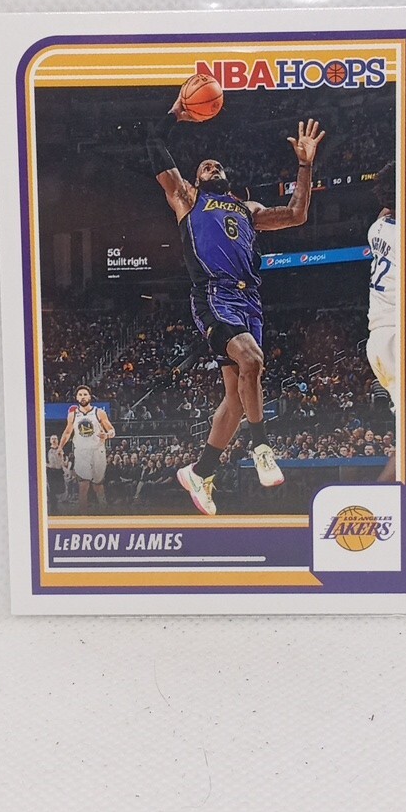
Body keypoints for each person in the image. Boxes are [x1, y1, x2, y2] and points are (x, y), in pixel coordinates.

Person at [147, 92, 325, 515]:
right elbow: (153, 143)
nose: (213, 167)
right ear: (195, 178)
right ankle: (262, 447)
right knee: (252, 359)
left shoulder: (248, 209)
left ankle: (201, 472)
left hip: (250, 301)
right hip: (214, 293)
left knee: (235, 398)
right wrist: (175, 114)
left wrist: (305, 165)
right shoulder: (187, 198)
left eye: (217, 165)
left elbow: (297, 214)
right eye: (205, 166)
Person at [366, 161, 397, 483]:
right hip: (398, 338)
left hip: (377, 337)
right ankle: (377, 498)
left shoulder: (377, 229)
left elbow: (387, 209)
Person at [58, 385, 116, 515]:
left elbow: (112, 430)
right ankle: (82, 516)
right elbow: (67, 432)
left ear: (90, 396)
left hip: (97, 451)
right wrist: (60, 447)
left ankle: (104, 511)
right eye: (80, 395)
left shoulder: (99, 412)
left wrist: (107, 435)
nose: (83, 397)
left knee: (98, 485)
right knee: (83, 485)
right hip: (81, 452)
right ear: (76, 397)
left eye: (85, 394)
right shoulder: (73, 415)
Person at [46, 435, 65, 513]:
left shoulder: (61, 449)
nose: (54, 440)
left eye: (55, 439)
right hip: (51, 471)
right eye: (52, 439)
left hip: (59, 471)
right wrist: (48, 465)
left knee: (60, 489)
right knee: (52, 490)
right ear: (50, 441)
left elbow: (63, 461)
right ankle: (53, 507)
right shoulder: (47, 450)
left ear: (58, 440)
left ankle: (56, 502)